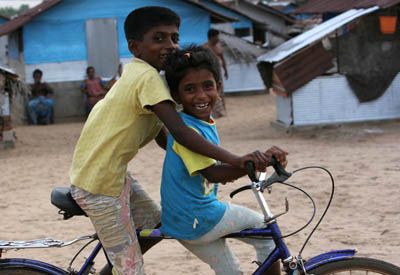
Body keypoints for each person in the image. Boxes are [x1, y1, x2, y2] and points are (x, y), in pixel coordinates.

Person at [70, 7, 273, 275]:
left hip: (106, 174)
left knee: (153, 227)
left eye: (174, 38)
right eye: (159, 38)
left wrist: (185, 155)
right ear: (135, 46)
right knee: (130, 268)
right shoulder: (148, 78)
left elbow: (163, 135)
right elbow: (180, 132)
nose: (170, 46)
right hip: (99, 187)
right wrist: (235, 160)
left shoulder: (138, 74)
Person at [162, 46, 286, 275]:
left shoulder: (197, 123)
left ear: (219, 88)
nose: (200, 96)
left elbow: (213, 169)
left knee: (229, 271)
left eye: (207, 86)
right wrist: (250, 163)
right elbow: (213, 174)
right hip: (198, 217)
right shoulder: (188, 131)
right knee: (264, 229)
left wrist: (253, 163)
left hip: (183, 221)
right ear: (176, 96)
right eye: (190, 89)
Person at [203, 29, 228, 118]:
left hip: (218, 72)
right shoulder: (204, 47)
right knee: (211, 90)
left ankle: (220, 111)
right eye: (216, 36)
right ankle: (211, 111)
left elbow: (223, 59)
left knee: (219, 90)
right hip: (208, 73)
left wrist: (226, 71)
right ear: (211, 37)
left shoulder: (218, 47)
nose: (218, 39)